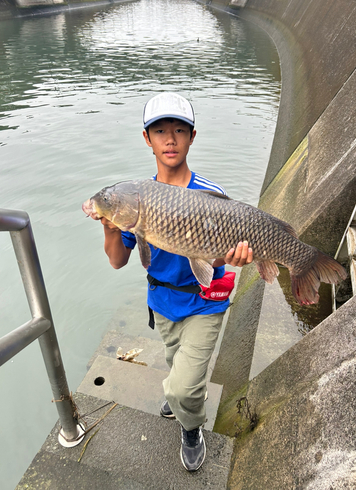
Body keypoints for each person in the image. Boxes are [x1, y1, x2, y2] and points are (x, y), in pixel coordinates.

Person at [95, 92, 253, 472]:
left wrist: (230, 257)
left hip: (204, 302)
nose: (170, 139)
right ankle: (183, 396)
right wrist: (108, 224)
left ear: (191, 137)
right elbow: (118, 260)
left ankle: (191, 426)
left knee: (182, 386)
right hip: (162, 303)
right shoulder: (135, 199)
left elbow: (214, 261)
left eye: (179, 131)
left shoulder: (208, 194)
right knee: (173, 360)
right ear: (147, 139)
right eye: (160, 131)